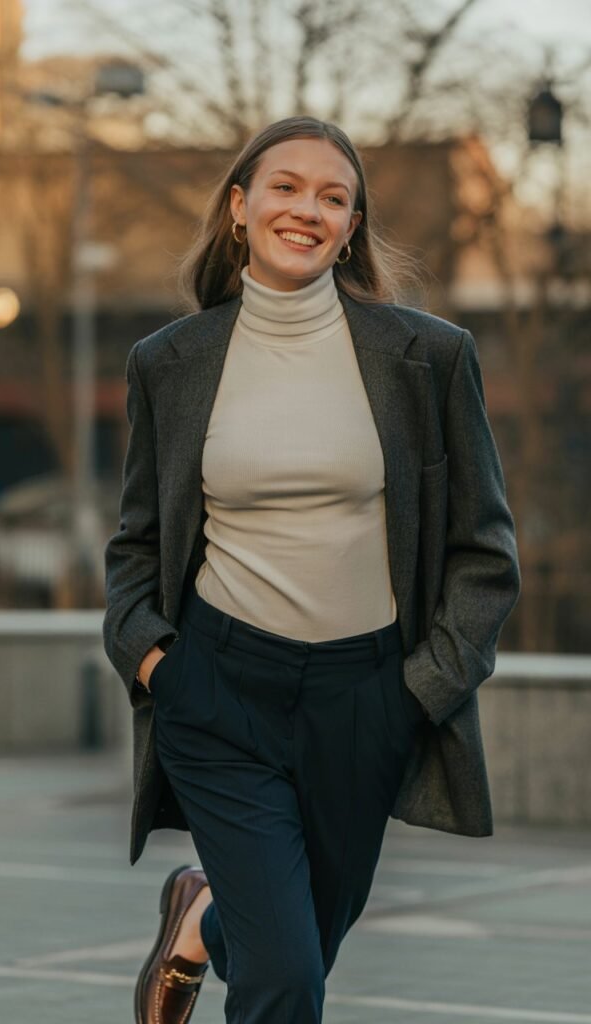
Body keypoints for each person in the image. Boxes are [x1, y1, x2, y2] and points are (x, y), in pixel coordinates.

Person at [102, 115, 521, 1024]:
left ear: (353, 225)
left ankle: (202, 916)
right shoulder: (169, 363)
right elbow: (138, 547)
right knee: (285, 980)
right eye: (286, 187)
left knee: (295, 953)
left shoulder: (428, 358)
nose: (309, 210)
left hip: (366, 698)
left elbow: (484, 553)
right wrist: (158, 667)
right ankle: (219, 915)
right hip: (218, 692)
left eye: (335, 197)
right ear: (239, 208)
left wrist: (418, 692)